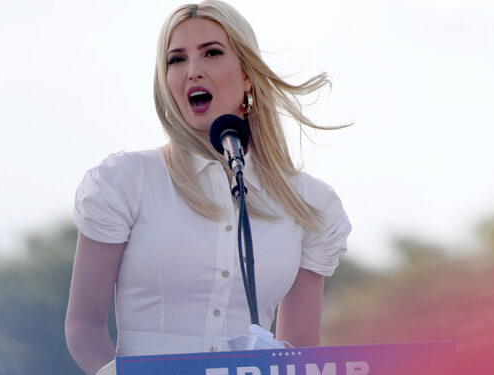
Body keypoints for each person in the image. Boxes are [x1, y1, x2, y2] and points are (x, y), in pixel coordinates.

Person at [64, 1, 352, 374]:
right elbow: (83, 325)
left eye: (212, 53)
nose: (193, 71)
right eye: (176, 60)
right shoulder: (126, 180)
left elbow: (300, 352)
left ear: (248, 75)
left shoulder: (311, 204)